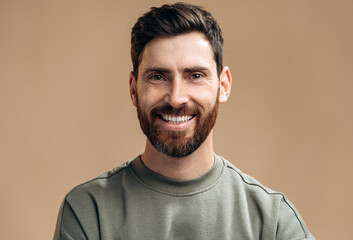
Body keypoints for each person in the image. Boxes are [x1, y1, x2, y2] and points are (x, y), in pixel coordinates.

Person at [53, 2, 315, 240]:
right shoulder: (88, 212)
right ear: (134, 89)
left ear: (223, 86)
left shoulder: (271, 220)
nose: (176, 98)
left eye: (195, 75)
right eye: (158, 76)